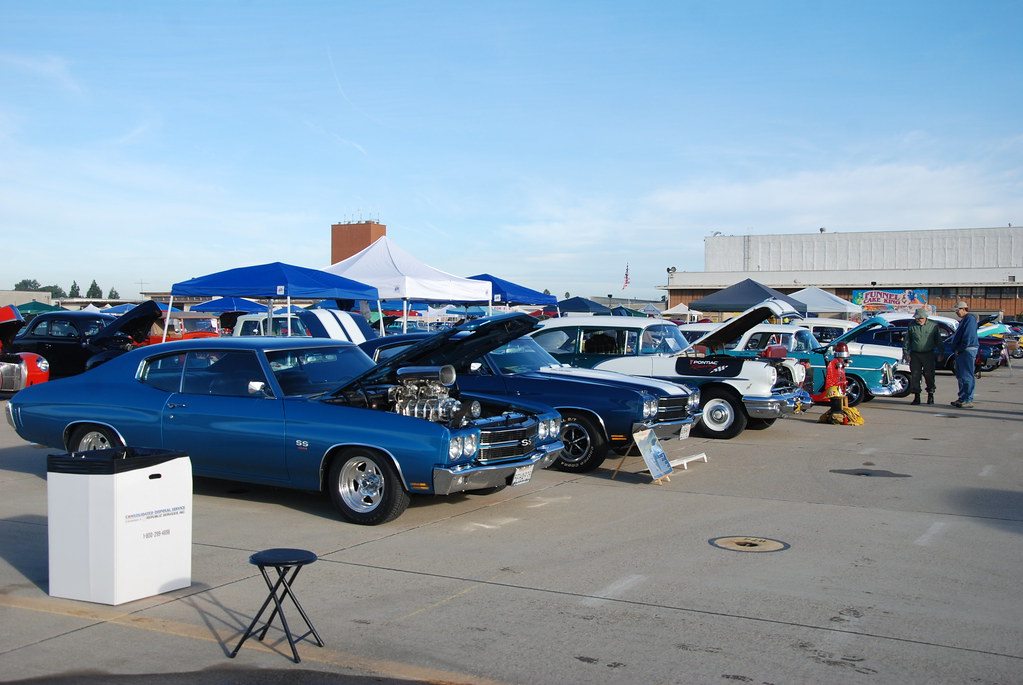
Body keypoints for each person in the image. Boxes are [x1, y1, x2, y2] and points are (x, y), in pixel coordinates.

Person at [902, 307, 942, 405]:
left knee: (929, 375)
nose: (918, 320)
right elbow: (907, 341)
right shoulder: (911, 325)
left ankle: (930, 394)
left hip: (928, 354)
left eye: (920, 318)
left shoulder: (933, 325)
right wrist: (906, 353)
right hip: (915, 354)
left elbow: (938, 340)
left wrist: (941, 352)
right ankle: (917, 396)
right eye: (917, 318)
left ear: (925, 318)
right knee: (915, 375)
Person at [948, 300, 979, 408]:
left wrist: (960, 348)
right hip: (963, 351)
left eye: (958, 310)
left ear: (964, 309)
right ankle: (962, 398)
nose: (957, 312)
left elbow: (968, 337)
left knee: (967, 375)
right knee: (961, 376)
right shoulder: (964, 320)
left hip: (967, 350)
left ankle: (968, 399)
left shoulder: (970, 319)